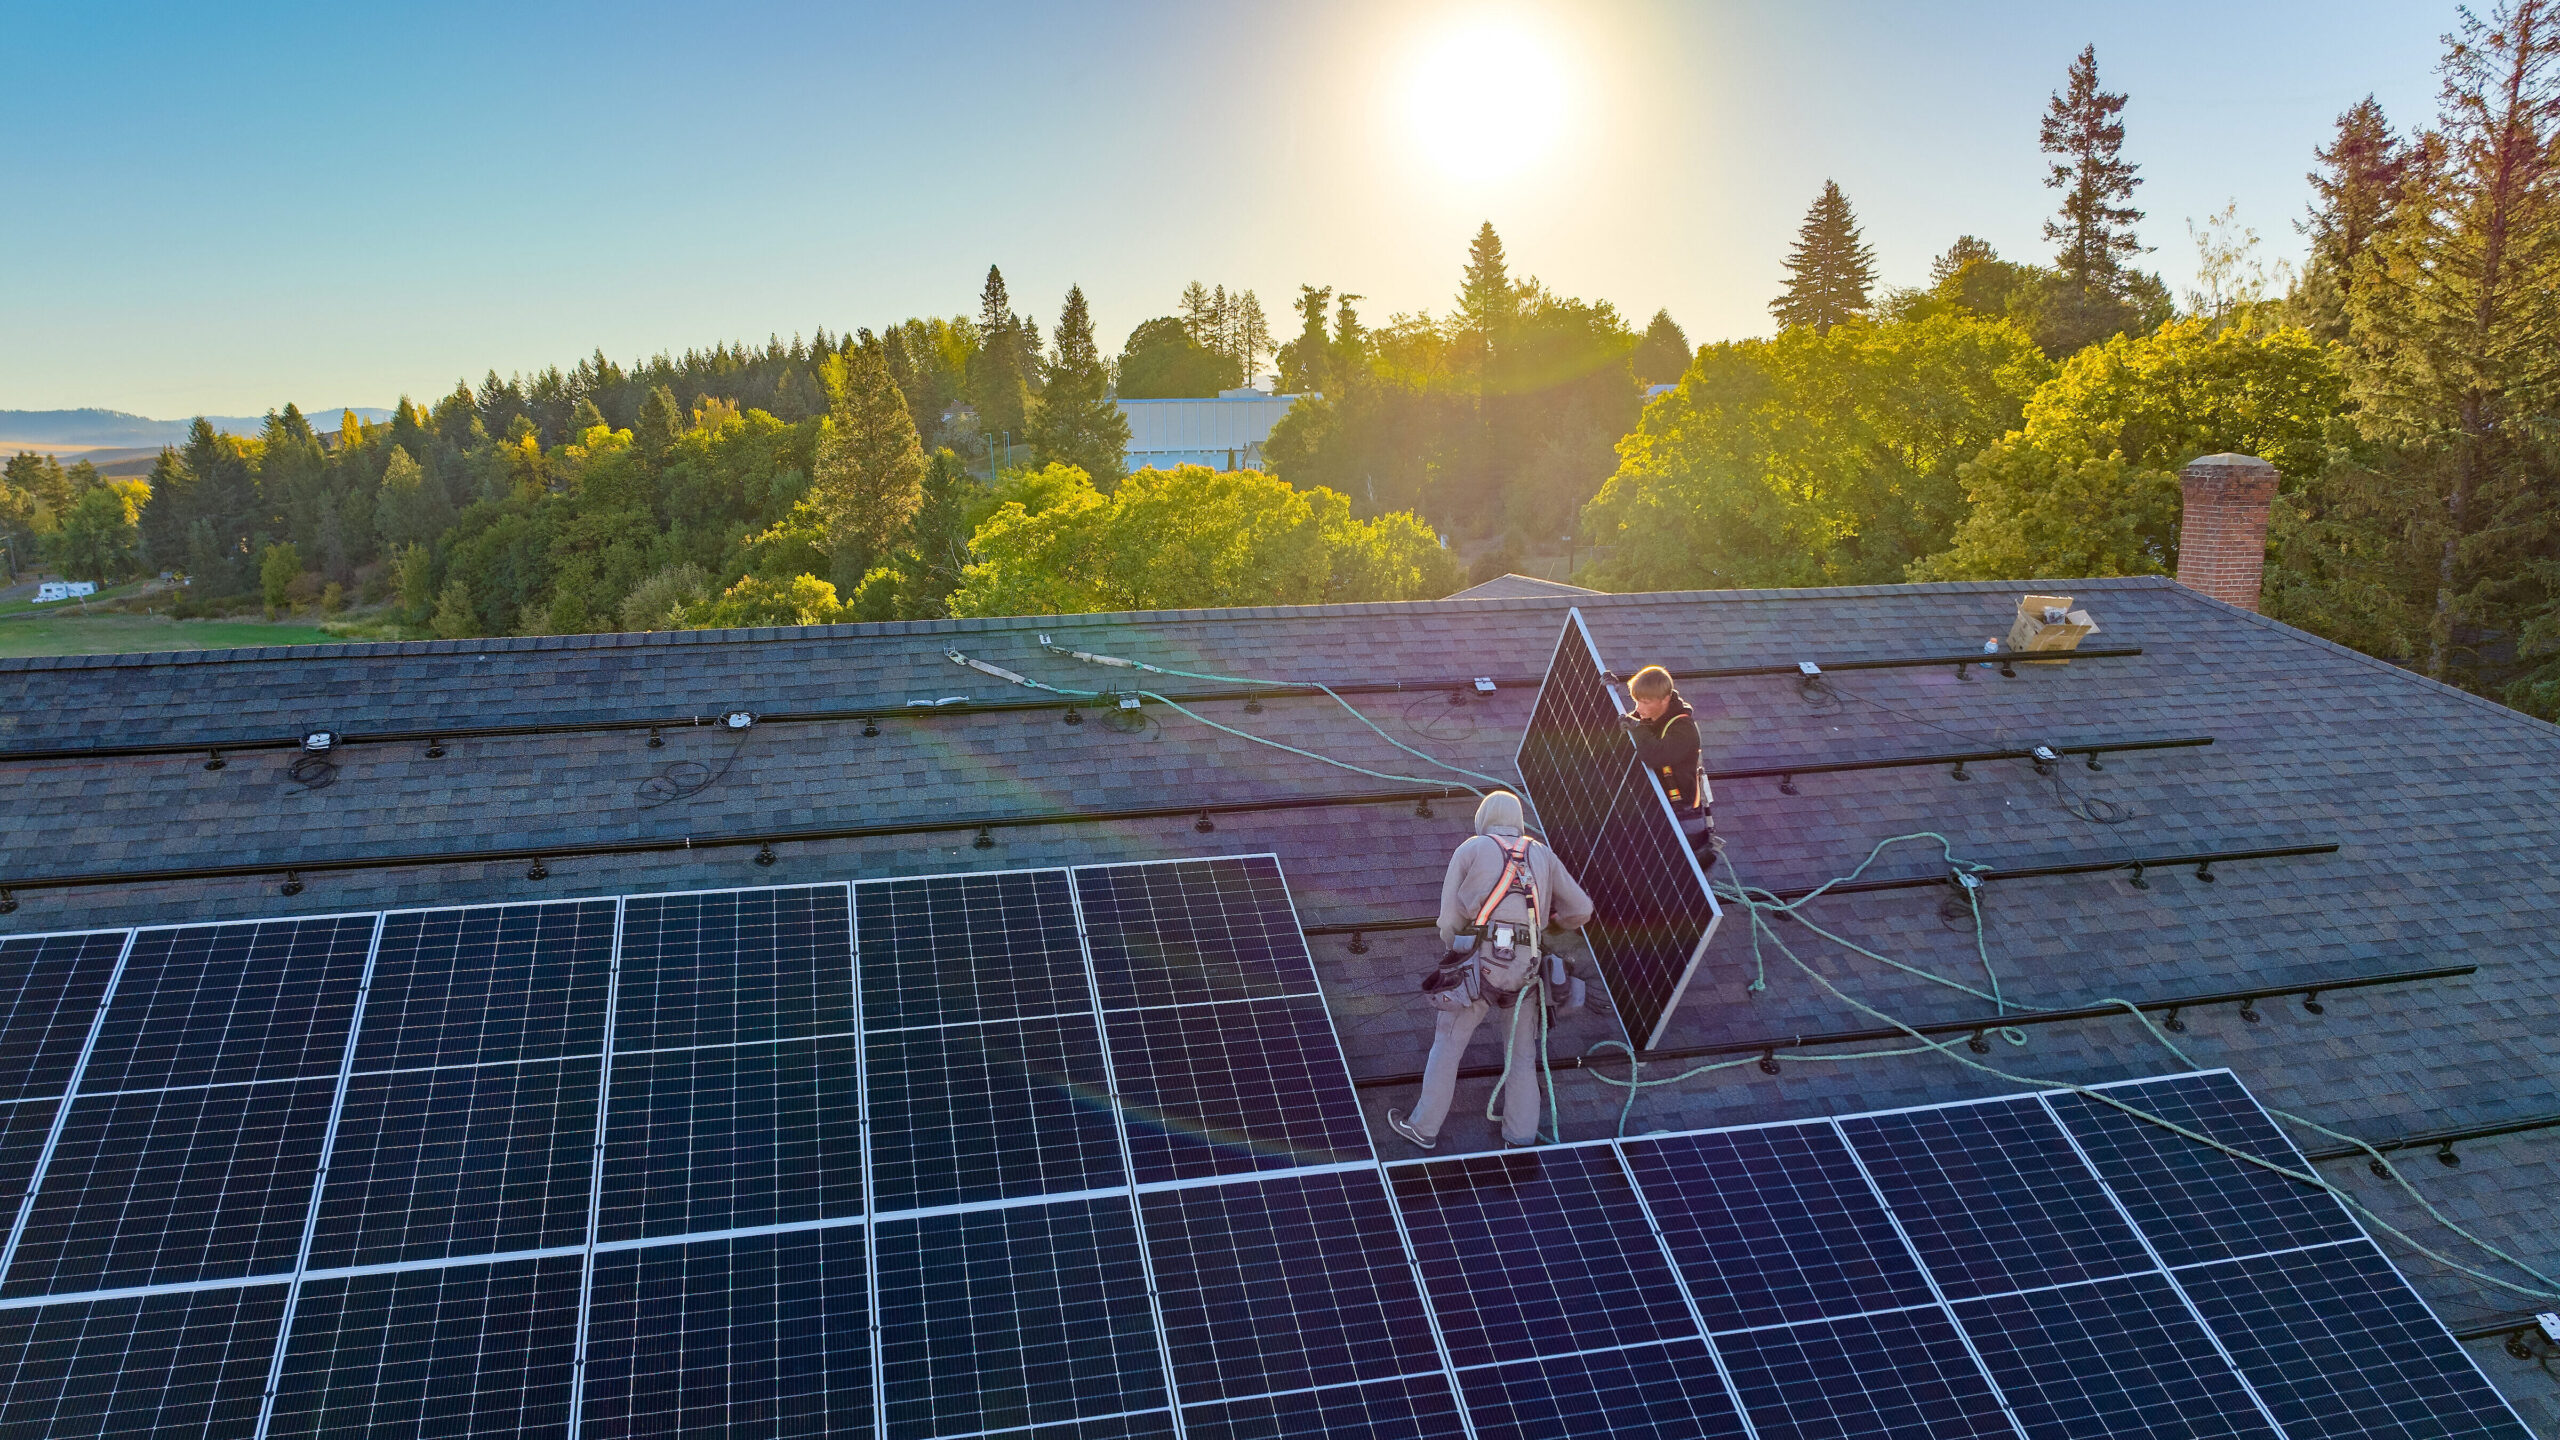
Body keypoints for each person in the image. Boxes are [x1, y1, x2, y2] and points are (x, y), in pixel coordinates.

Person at [1386, 790, 1594, 1152]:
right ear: (1517, 819)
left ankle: (1423, 1127)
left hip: (1478, 969)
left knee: (1447, 1047)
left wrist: (1456, 952)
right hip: (1527, 971)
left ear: (1484, 818)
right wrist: (1549, 928)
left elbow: (1449, 921)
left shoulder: (1471, 849)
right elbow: (1581, 909)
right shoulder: (1541, 853)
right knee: (1522, 1058)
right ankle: (1520, 1137)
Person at [1623, 665, 1716, 867]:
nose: (1638, 708)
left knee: (1680, 876)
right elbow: (1627, 726)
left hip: (1682, 818)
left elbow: (1654, 755)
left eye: (1645, 702)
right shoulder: (1649, 717)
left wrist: (1636, 729)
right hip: (1658, 811)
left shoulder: (1683, 729)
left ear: (1664, 699)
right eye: (1636, 700)